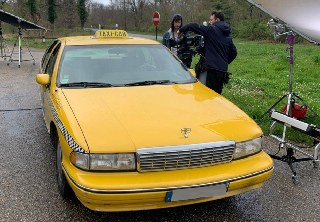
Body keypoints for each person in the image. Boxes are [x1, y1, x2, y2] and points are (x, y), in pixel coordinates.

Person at [178, 10, 237, 94]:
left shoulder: (211, 30)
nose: (209, 22)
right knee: (217, 96)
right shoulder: (227, 35)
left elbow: (194, 26)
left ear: (217, 20)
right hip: (222, 72)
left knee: (208, 96)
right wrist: (223, 62)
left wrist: (181, 30)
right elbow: (234, 52)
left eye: (211, 20)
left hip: (211, 70)